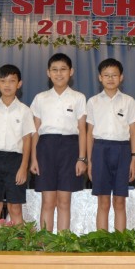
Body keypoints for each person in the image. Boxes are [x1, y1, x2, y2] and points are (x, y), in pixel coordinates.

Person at [29, 53, 87, 232]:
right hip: (45, 148)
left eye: (63, 69)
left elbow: (82, 130)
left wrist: (82, 158)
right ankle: (45, 241)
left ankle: (63, 241)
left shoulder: (78, 97)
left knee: (64, 201)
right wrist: (34, 159)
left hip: (70, 149)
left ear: (71, 72)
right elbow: (35, 131)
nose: (59, 73)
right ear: (48, 72)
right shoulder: (40, 98)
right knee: (48, 201)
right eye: (54, 70)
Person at [86, 58, 135, 231]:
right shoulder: (93, 102)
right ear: (100, 77)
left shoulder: (129, 101)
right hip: (100, 150)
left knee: (119, 201)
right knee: (103, 201)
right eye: (106, 75)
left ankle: (120, 241)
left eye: (114, 75)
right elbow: (89, 133)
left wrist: (134, 159)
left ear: (121, 77)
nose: (110, 79)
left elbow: (134, 132)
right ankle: (102, 240)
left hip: (123, 150)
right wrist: (90, 161)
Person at [0, 64, 36, 225]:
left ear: (19, 84)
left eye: (12, 81)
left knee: (15, 207)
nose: (7, 85)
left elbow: (27, 140)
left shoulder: (25, 111)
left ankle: (19, 241)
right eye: (3, 81)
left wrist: (24, 167)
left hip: (16, 161)